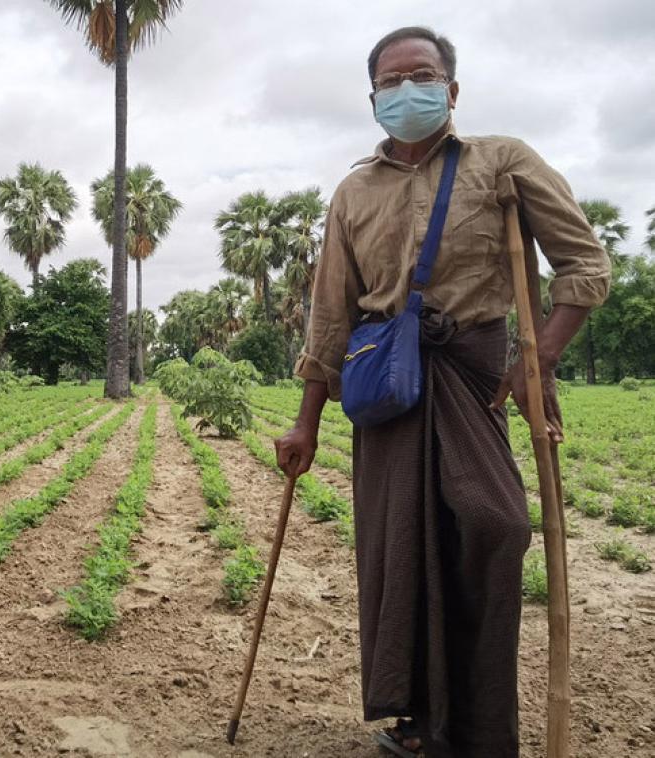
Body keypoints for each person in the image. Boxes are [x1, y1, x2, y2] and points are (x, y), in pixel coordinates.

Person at [274, 25, 611, 758]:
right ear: (372, 99)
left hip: (472, 370)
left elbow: (584, 264)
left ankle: (478, 726)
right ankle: (413, 720)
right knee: (399, 549)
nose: (406, 91)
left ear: (451, 89)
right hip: (386, 382)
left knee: (494, 526)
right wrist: (304, 425)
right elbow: (331, 316)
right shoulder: (354, 192)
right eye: (390, 83)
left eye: (420, 76)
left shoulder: (502, 161)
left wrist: (539, 359)